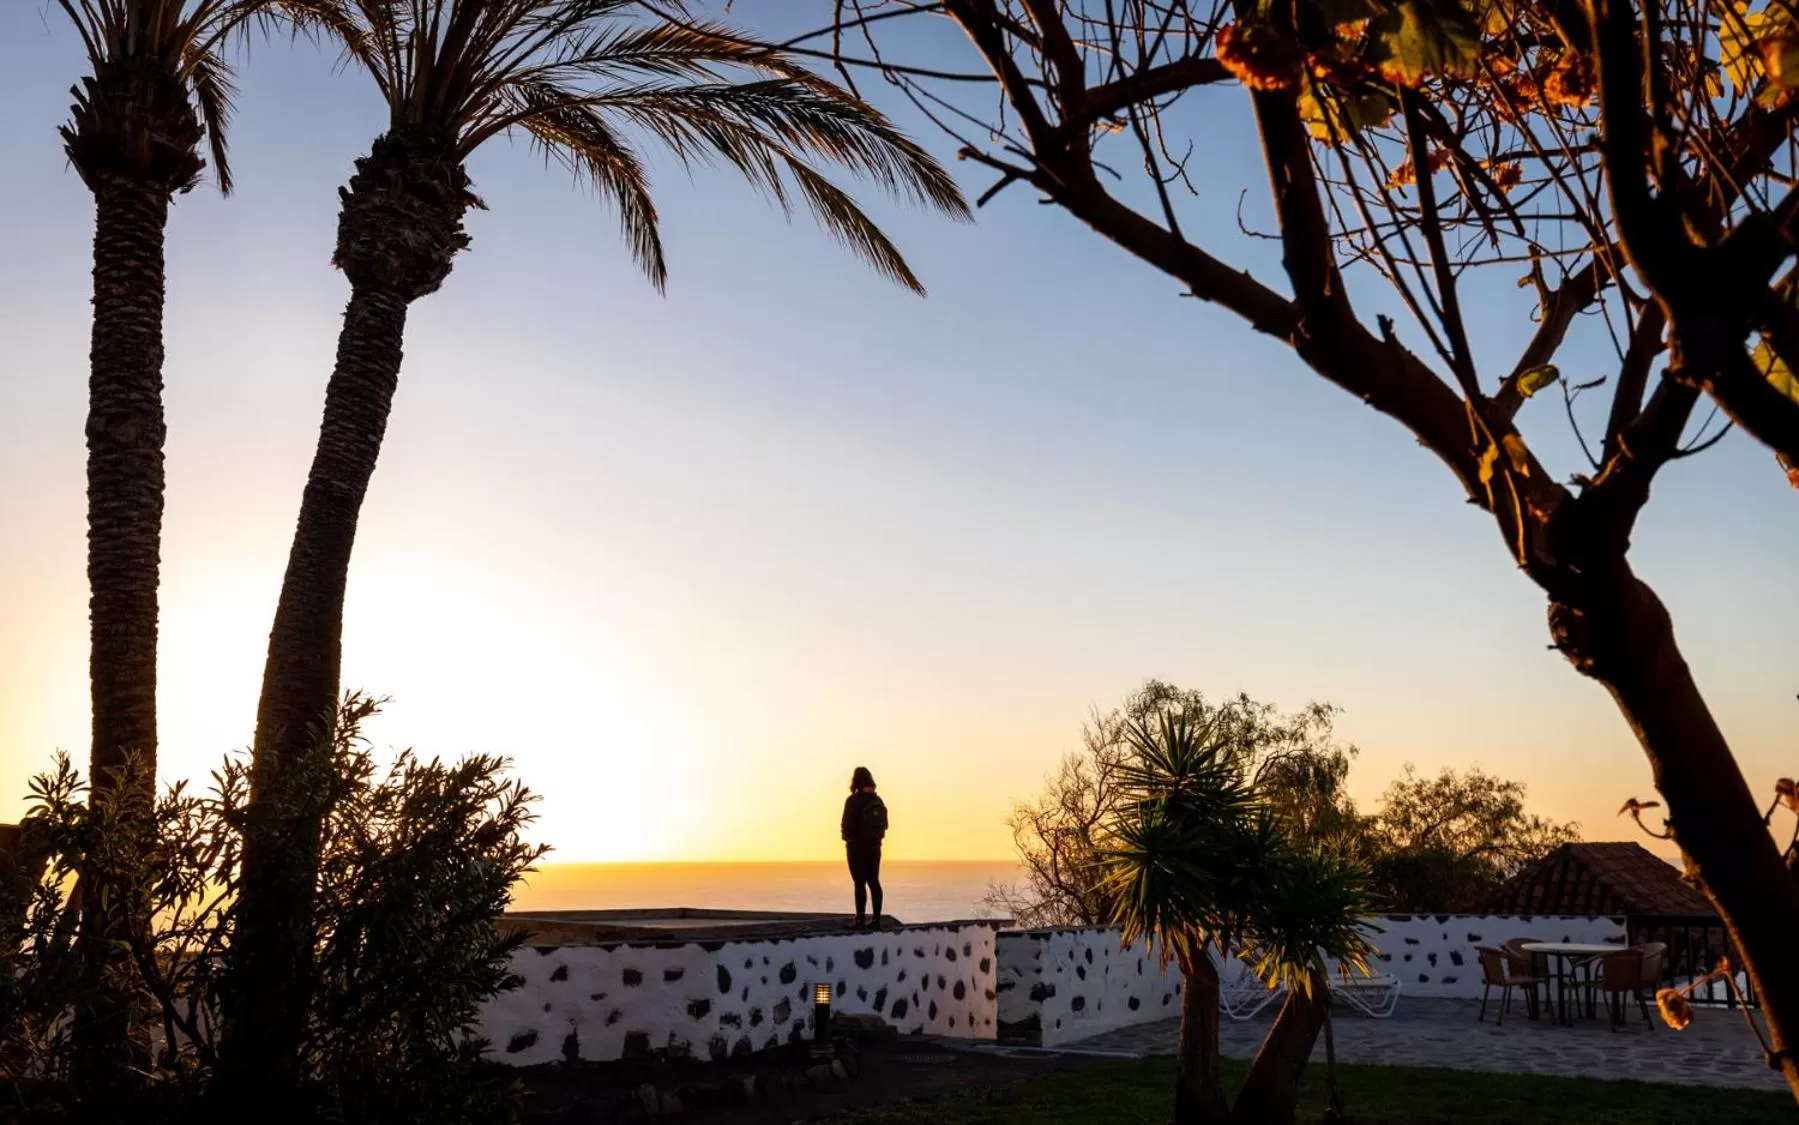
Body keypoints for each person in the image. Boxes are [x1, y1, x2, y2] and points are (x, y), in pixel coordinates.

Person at [841, 767, 888, 929]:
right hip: (875, 847)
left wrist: (848, 838)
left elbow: (846, 825)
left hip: (856, 848)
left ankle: (860, 919)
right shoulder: (878, 801)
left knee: (859, 882)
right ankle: (876, 920)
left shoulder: (853, 801)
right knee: (874, 881)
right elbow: (885, 825)